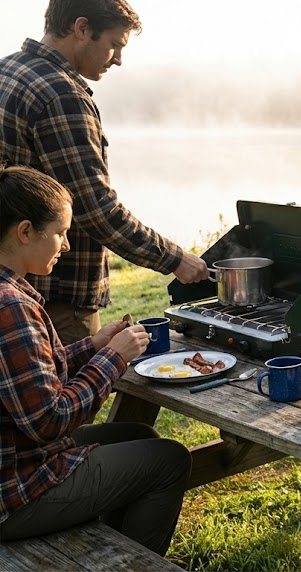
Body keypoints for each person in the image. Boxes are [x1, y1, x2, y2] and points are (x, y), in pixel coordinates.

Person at [0, 165, 191, 555]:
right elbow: (50, 420)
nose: (66, 245)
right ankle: (129, 564)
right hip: (15, 492)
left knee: (139, 436)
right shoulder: (10, 307)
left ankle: (112, 549)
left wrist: (94, 345)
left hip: (16, 458)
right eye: (60, 233)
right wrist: (114, 359)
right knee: (169, 460)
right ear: (24, 232)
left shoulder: (9, 292)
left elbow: (26, 380)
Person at [0, 0, 208, 343]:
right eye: (114, 45)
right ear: (82, 29)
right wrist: (175, 259)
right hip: (57, 296)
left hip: (12, 287)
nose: (118, 59)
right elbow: (95, 208)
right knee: (70, 391)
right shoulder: (60, 95)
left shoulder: (8, 71)